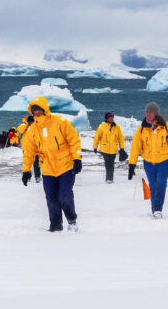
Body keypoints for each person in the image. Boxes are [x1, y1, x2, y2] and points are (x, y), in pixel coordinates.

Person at [21, 97, 82, 232]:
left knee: (64, 195)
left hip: (66, 166)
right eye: (34, 112)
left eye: (39, 111)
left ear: (45, 110)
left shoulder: (60, 122)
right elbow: (29, 152)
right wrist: (26, 170)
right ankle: (55, 225)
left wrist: (77, 158)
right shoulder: (32, 131)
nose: (37, 114)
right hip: (48, 170)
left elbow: (74, 140)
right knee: (51, 198)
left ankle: (72, 221)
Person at [128, 102, 168, 219]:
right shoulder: (141, 130)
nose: (148, 114)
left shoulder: (166, 128)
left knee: (161, 184)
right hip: (149, 162)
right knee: (153, 186)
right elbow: (135, 147)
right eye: (147, 112)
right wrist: (131, 165)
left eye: (151, 112)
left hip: (164, 161)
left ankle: (158, 209)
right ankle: (154, 208)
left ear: (156, 113)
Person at [93, 112, 126, 183]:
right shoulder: (102, 126)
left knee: (111, 164)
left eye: (112, 117)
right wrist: (95, 147)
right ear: (107, 118)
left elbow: (121, 138)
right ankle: (108, 179)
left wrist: (122, 148)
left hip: (113, 149)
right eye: (110, 117)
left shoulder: (117, 127)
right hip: (105, 149)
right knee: (108, 164)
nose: (111, 118)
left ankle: (110, 179)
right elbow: (97, 137)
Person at [17, 116, 41, 182]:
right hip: (26, 148)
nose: (31, 123)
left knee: (36, 163)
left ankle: (37, 176)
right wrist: (27, 124)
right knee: (27, 163)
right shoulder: (23, 125)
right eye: (30, 121)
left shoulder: (36, 126)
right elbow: (20, 130)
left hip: (35, 149)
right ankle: (28, 176)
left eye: (32, 121)